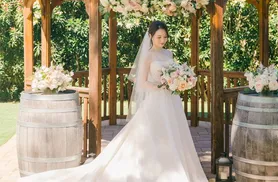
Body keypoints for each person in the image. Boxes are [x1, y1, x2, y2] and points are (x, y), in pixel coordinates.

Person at [18, 21, 208, 182]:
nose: (162, 40)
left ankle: (174, 167)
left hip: (171, 100)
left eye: (165, 37)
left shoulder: (169, 54)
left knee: (174, 133)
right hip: (155, 99)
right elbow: (141, 83)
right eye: (159, 37)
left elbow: (173, 73)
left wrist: (178, 82)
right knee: (151, 134)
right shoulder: (148, 56)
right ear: (150, 36)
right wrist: (162, 85)